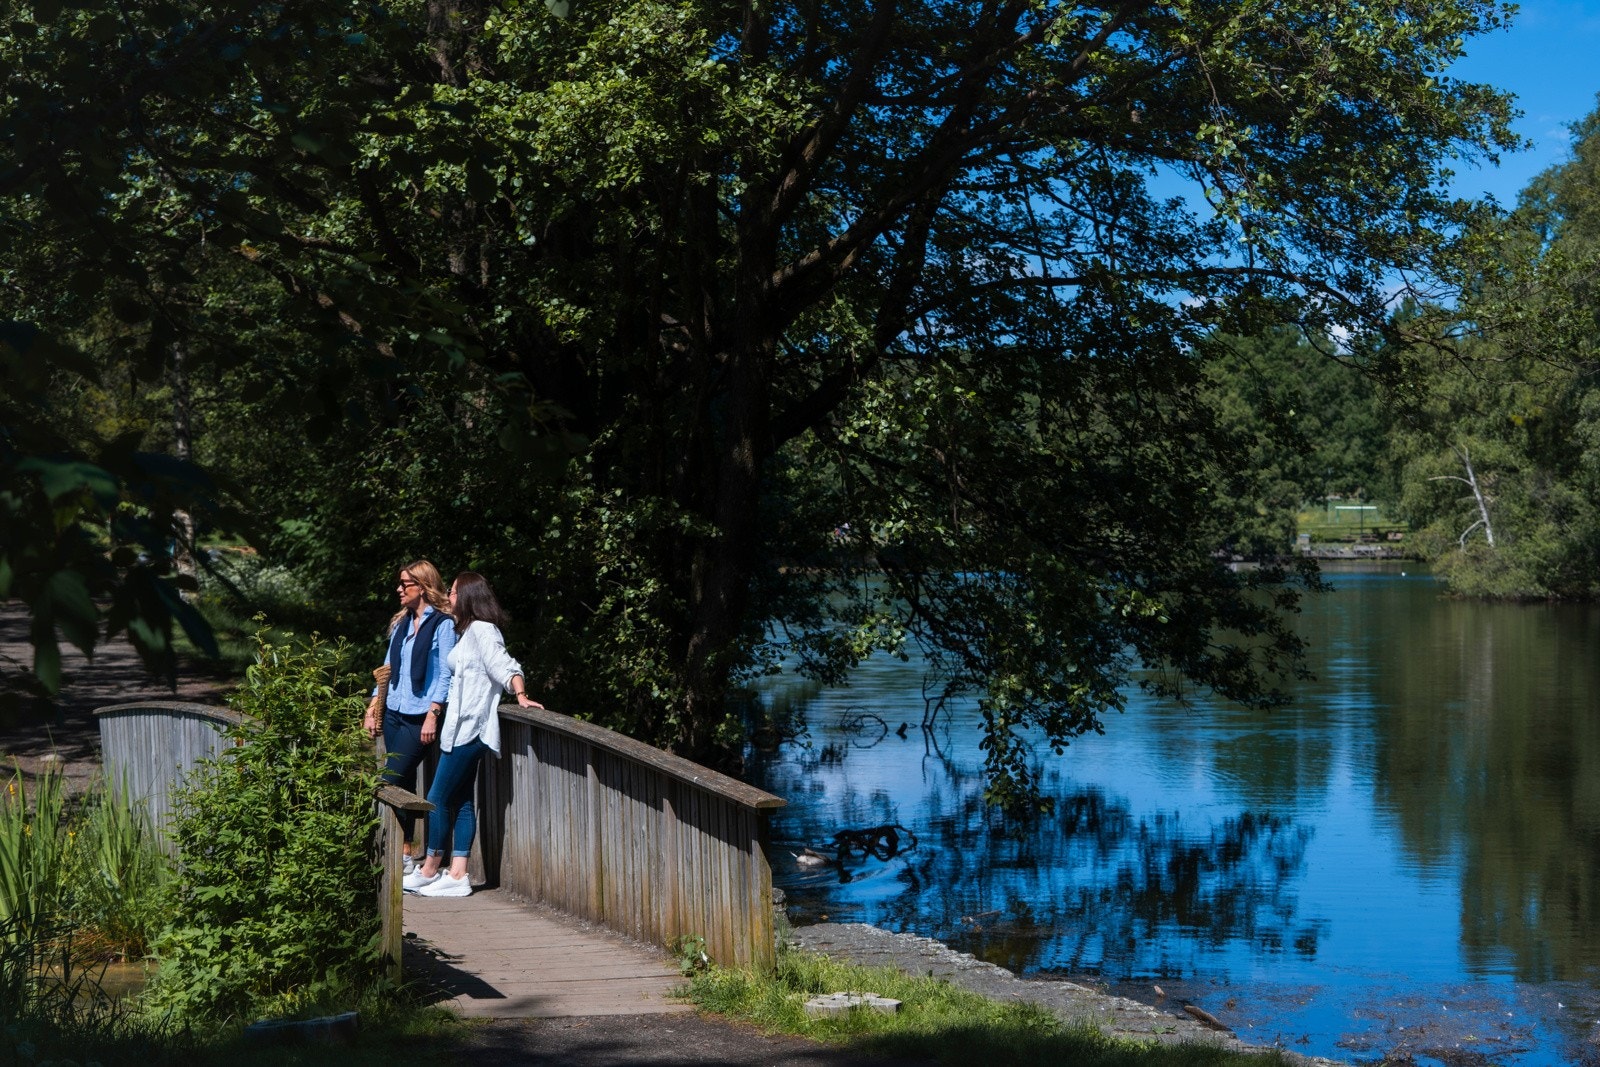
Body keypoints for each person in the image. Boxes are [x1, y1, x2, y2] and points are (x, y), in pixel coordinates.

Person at [405, 571, 540, 897]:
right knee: (463, 802)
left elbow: (505, 665)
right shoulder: (466, 632)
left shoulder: (484, 631)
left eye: (452, 592)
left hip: (473, 729)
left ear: (467, 597)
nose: (449, 598)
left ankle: (430, 868)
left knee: (436, 799)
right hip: (458, 730)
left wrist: (520, 694)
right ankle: (459, 874)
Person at [365, 559, 456, 875]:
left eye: (405, 584)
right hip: (393, 712)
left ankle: (400, 852)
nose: (399, 589)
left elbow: (445, 674)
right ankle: (402, 853)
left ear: (423, 586)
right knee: (398, 781)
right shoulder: (401, 623)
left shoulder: (443, 624)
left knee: (388, 780)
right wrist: (373, 707)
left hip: (419, 716)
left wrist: (434, 714)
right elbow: (386, 668)